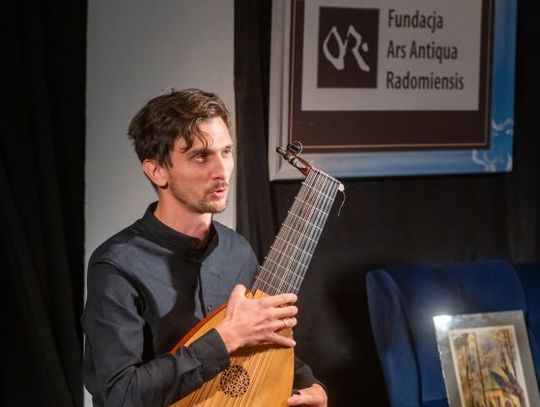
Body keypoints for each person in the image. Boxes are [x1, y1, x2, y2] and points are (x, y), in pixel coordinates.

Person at [82, 88, 328, 406]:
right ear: (157, 170)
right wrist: (225, 339)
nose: (221, 171)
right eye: (201, 156)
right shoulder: (117, 266)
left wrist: (310, 384)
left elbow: (265, 341)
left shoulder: (238, 251)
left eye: (226, 152)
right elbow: (121, 394)